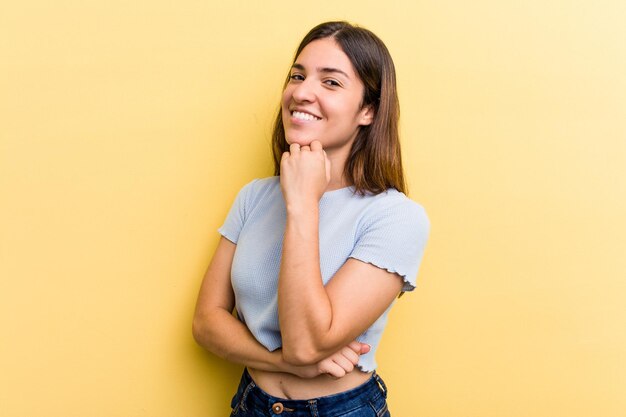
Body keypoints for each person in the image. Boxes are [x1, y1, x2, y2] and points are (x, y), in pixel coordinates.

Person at [193, 21, 429, 417]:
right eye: (297, 76)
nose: (301, 93)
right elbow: (206, 323)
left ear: (368, 110)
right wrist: (288, 364)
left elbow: (306, 343)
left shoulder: (396, 217)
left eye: (331, 83)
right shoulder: (254, 196)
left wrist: (303, 202)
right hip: (250, 403)